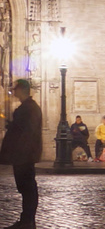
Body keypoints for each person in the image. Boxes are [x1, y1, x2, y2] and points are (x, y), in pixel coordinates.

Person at [0, 78, 41, 229]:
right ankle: (27, 220)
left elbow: (28, 132)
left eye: (15, 89)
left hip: (24, 155)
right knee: (25, 187)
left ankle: (27, 221)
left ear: (21, 90)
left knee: (27, 188)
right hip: (23, 154)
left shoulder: (29, 108)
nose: (13, 92)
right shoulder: (27, 107)